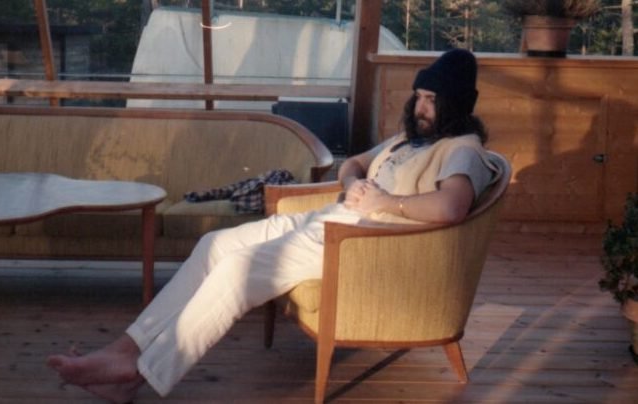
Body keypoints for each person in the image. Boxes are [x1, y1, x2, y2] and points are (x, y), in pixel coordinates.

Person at [46, 48, 500, 403]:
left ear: (457, 105)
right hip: (334, 218)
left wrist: (385, 201)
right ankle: (126, 348)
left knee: (236, 272)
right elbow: (353, 163)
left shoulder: (463, 149)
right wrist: (353, 183)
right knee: (213, 245)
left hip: (363, 242)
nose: (420, 107)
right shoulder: (410, 139)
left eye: (432, 100)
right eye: (419, 95)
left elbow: (451, 207)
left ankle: (138, 374)